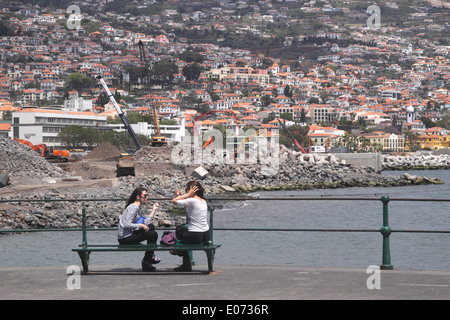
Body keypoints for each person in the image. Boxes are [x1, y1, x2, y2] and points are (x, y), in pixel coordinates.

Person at [118, 186, 161, 272]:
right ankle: (147, 260)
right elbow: (126, 224)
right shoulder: (133, 208)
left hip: (130, 234)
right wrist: (141, 226)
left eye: (147, 195)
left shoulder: (137, 208)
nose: (147, 197)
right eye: (145, 196)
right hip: (125, 238)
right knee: (153, 234)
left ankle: (148, 258)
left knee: (151, 228)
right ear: (138, 197)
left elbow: (146, 223)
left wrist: (153, 210)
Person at [171, 180, 209, 272]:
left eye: (187, 190)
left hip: (195, 235)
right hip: (206, 234)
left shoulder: (191, 200)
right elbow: (187, 203)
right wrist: (181, 196)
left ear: (191, 190)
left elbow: (173, 201)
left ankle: (183, 257)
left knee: (179, 228)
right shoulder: (203, 201)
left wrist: (187, 195)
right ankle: (184, 257)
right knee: (184, 230)